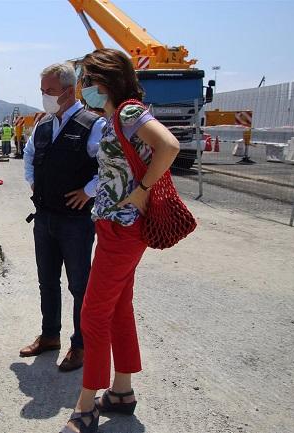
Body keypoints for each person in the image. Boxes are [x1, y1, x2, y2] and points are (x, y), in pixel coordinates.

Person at [60, 49, 180, 433]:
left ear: (104, 80)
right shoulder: (113, 116)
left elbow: (170, 145)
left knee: (93, 315)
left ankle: (86, 405)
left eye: (86, 79)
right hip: (115, 226)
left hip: (123, 228)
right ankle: (122, 391)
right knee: (117, 308)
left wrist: (143, 189)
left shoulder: (128, 112)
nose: (83, 87)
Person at [21, 63, 106, 372]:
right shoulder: (44, 125)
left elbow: (108, 166)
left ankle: (80, 344)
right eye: (42, 91)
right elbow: (29, 155)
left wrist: (88, 190)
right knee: (47, 282)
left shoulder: (93, 125)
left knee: (80, 286)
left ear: (70, 92)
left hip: (75, 222)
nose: (44, 97)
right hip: (44, 219)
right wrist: (32, 180)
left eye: (50, 91)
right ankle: (49, 336)